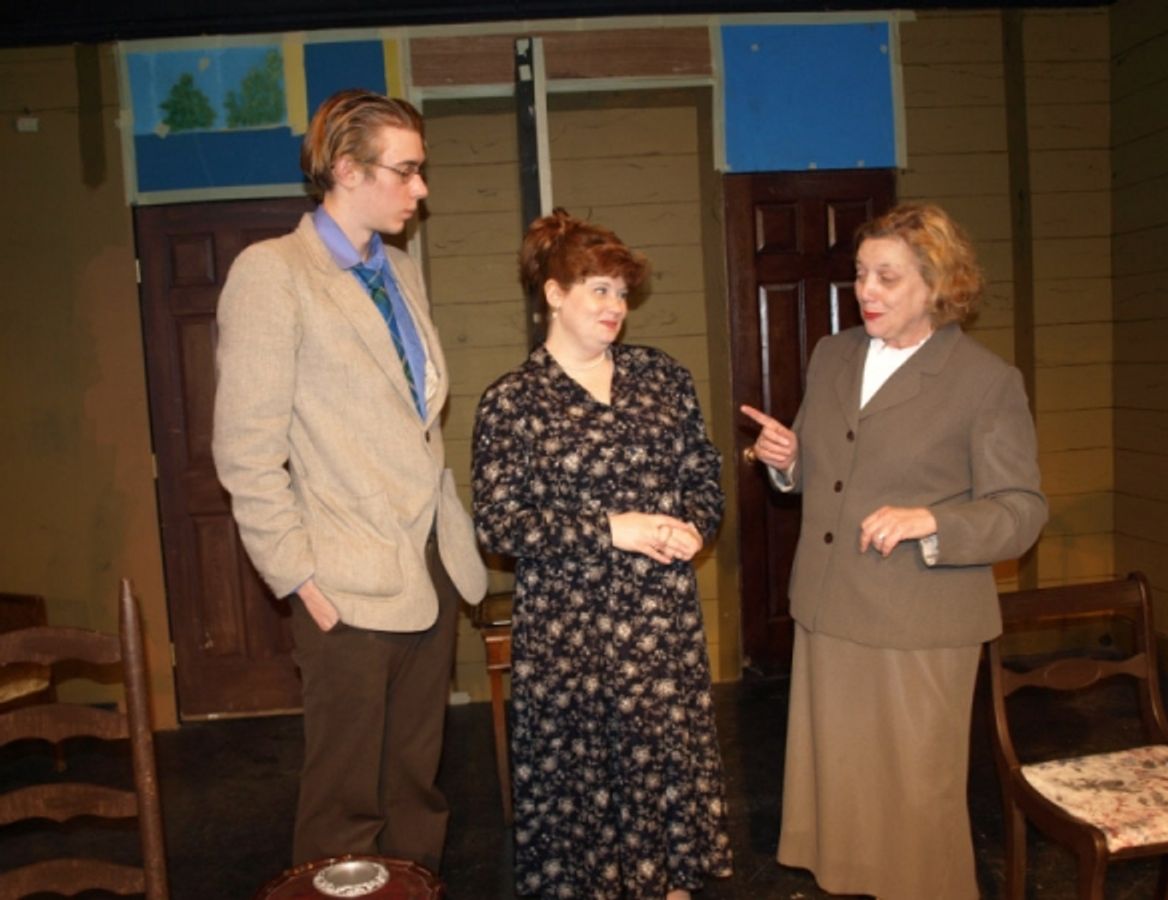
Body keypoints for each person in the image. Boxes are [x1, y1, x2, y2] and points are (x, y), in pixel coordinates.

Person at [212, 88, 486, 870]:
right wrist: (297, 574)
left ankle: (416, 888)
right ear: (345, 170)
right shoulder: (273, 273)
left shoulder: (400, 269)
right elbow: (245, 450)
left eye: (420, 171)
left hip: (427, 560)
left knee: (414, 784)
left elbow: (411, 418)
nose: (420, 189)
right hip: (342, 573)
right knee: (345, 796)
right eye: (405, 172)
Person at [741, 202, 1047, 900]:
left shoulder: (985, 382)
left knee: (915, 805)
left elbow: (1022, 512)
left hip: (920, 623)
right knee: (844, 794)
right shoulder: (834, 354)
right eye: (860, 275)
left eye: (887, 277)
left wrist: (931, 521)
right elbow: (829, 473)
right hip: (831, 609)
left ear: (937, 285)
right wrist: (786, 461)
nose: (866, 292)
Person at [471, 209, 733, 899]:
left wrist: (694, 527)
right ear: (553, 294)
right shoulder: (512, 402)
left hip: (658, 627)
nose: (615, 306)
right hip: (570, 637)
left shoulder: (662, 378)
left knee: (661, 774)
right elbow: (499, 523)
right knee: (584, 794)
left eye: (621, 291)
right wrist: (609, 528)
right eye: (598, 289)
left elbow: (702, 475)